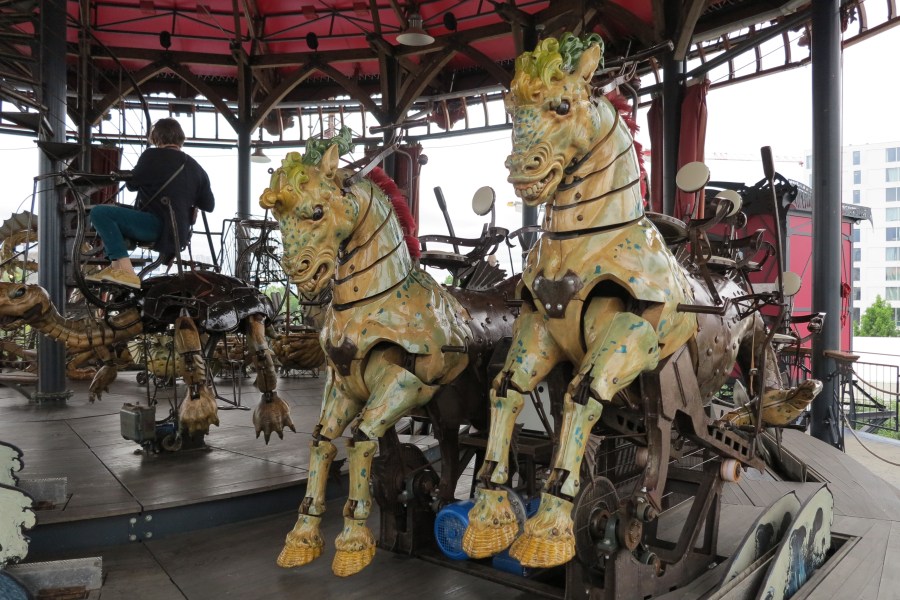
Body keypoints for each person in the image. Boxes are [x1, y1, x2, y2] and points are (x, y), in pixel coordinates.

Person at [86, 118, 215, 289]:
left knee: (100, 213)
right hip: (179, 234)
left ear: (156, 138)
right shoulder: (196, 167)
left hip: (155, 226)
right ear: (180, 138)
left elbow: (132, 185)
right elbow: (209, 205)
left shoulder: (152, 155)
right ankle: (117, 267)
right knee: (114, 214)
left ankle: (125, 270)